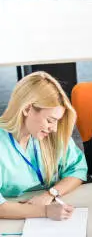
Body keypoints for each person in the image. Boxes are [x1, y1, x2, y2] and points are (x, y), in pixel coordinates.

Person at [0, 72, 87, 221]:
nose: (54, 128)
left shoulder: (50, 135)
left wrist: (50, 194)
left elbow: (78, 170)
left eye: (57, 121)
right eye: (50, 120)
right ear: (27, 109)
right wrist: (44, 211)